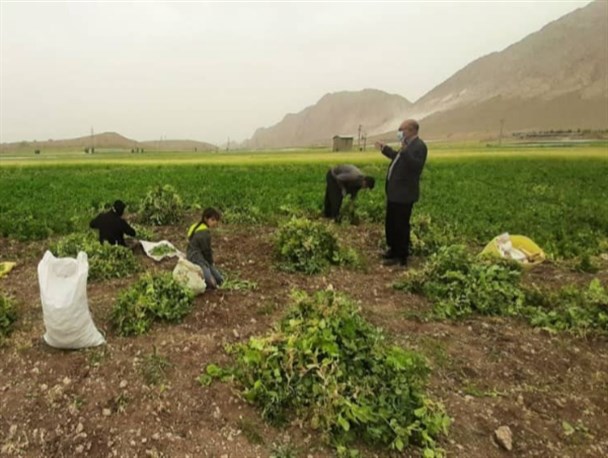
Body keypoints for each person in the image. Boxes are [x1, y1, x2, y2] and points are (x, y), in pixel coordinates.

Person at [375, 119, 427, 267]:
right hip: (394, 193)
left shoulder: (419, 146)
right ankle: (392, 250)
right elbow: (397, 158)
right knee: (391, 223)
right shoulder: (406, 146)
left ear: (410, 130)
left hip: (404, 195)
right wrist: (384, 148)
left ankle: (401, 256)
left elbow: (416, 166)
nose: (399, 132)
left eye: (401, 129)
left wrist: (404, 152)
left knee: (401, 225)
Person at [186, 207, 224, 289]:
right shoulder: (204, 233)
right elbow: (207, 251)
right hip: (196, 256)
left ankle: (214, 275)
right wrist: (210, 263)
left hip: (190, 253)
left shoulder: (195, 226)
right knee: (214, 282)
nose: (215, 222)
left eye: (216, 220)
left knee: (218, 277)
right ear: (206, 219)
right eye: (213, 220)